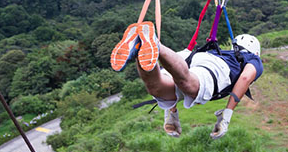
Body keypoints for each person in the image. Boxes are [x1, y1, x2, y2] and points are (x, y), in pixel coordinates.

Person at [111, 21, 263, 139]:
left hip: (194, 59)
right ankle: (156, 44)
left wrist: (172, 113)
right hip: (216, 69)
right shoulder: (253, 59)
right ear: (256, 51)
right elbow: (245, 77)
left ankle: (139, 46)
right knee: (189, 84)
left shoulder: (224, 52)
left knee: (157, 89)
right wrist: (227, 116)